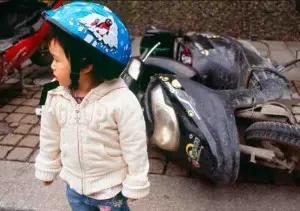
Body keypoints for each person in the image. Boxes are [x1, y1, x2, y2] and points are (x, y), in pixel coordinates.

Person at [34, 2, 150, 211]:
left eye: (57, 60)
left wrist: (136, 182)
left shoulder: (121, 102)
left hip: (111, 192)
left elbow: (135, 146)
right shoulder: (55, 95)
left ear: (85, 65)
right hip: (74, 188)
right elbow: (50, 133)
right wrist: (47, 166)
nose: (52, 66)